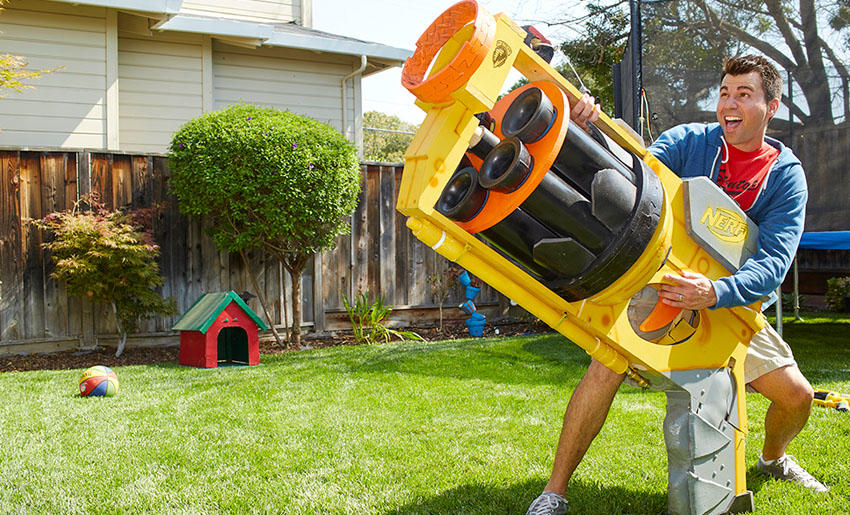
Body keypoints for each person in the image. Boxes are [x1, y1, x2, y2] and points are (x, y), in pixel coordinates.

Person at [526, 54, 827, 515]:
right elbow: (633, 171)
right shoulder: (690, 141)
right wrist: (591, 129)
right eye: (724, 93)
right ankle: (554, 492)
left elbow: (773, 264)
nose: (729, 103)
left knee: (798, 396)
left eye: (744, 94)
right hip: (657, 287)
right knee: (605, 367)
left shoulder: (785, 176)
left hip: (730, 304)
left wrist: (715, 293)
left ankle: (773, 459)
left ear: (771, 106)